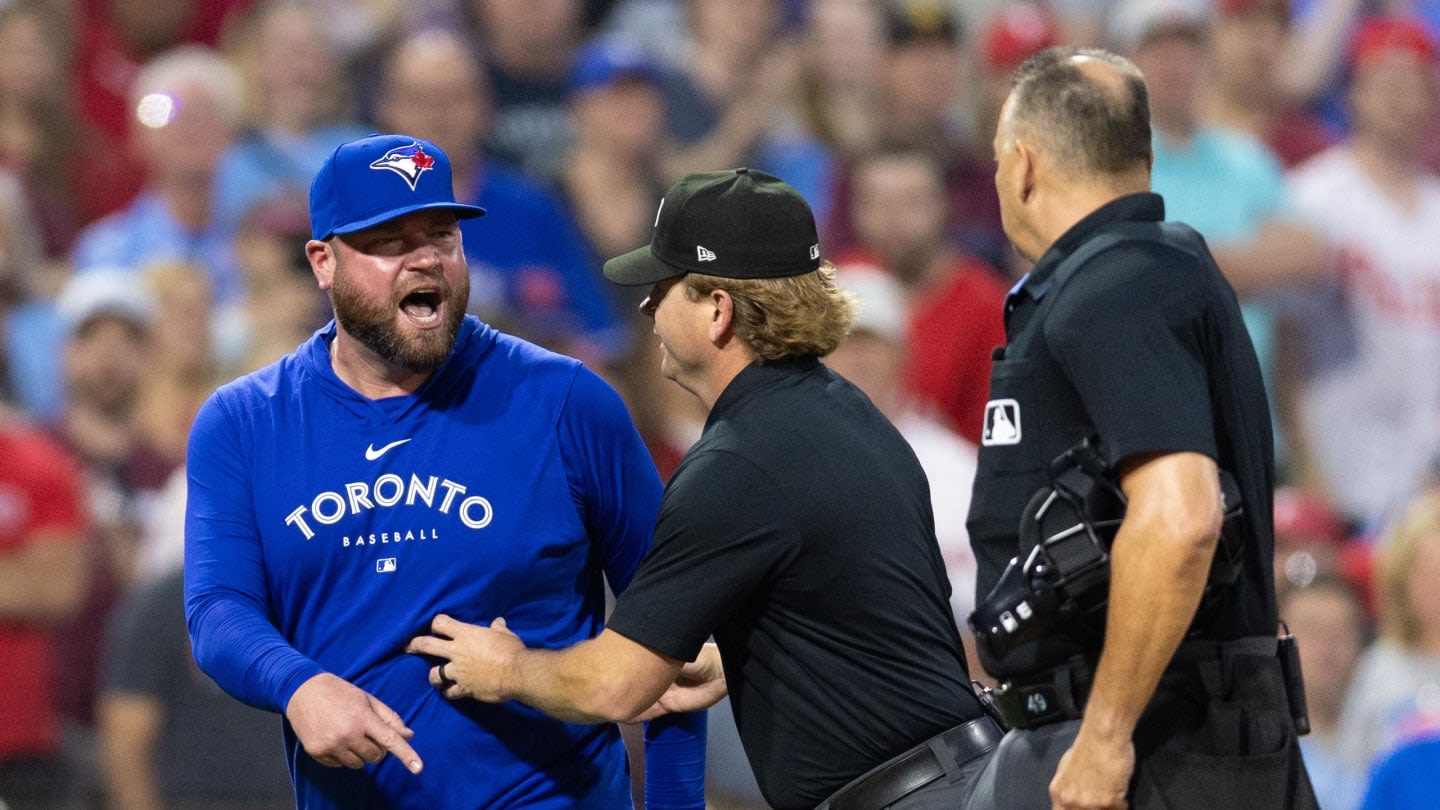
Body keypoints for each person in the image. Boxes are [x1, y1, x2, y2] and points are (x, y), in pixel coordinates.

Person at [407, 167, 999, 810]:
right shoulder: (846, 413)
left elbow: (615, 688)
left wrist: (505, 668)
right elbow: (867, 617)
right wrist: (747, 658)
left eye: (663, 289)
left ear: (718, 310)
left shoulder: (738, 465)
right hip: (960, 776)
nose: (645, 308)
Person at [183, 132, 704, 809]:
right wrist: (298, 685)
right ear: (323, 262)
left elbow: (673, 633)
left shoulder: (566, 402)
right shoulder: (244, 424)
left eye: (441, 236)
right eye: (391, 243)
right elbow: (217, 611)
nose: (424, 259)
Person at [963, 46, 1318, 809]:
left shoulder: (1118, 284)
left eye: (997, 160)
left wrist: (1106, 733)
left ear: (1023, 165)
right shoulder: (1143, 272)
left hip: (1156, 746)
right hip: (1162, 733)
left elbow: (1183, 517)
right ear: (1145, 157)